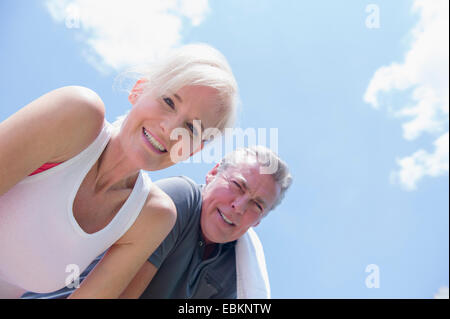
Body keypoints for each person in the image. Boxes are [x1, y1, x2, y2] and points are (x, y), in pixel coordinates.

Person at [0, 43, 239, 298]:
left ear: (193, 150)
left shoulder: (153, 216)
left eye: (191, 129)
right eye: (168, 101)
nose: (170, 129)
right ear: (139, 90)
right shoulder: (77, 113)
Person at [22, 146, 292, 299]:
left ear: (259, 221)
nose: (238, 206)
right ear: (212, 173)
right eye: (237, 186)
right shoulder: (179, 199)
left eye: (256, 205)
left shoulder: (236, 270)